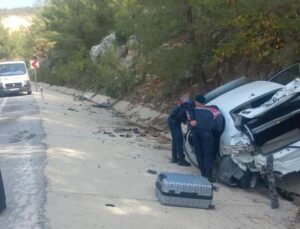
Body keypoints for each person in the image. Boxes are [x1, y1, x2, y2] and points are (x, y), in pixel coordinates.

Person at [190, 95, 224, 181]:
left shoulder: (193, 110)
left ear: (198, 102)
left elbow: (190, 121)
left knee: (199, 153)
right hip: (206, 133)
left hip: (195, 133)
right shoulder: (213, 110)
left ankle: (203, 173)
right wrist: (217, 133)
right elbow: (219, 124)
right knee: (208, 155)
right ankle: (208, 176)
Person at [167, 95, 194, 166]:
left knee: (175, 140)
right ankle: (181, 160)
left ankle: (174, 158)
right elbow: (187, 119)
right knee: (179, 140)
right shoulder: (189, 107)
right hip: (174, 122)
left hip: (171, 120)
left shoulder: (182, 105)